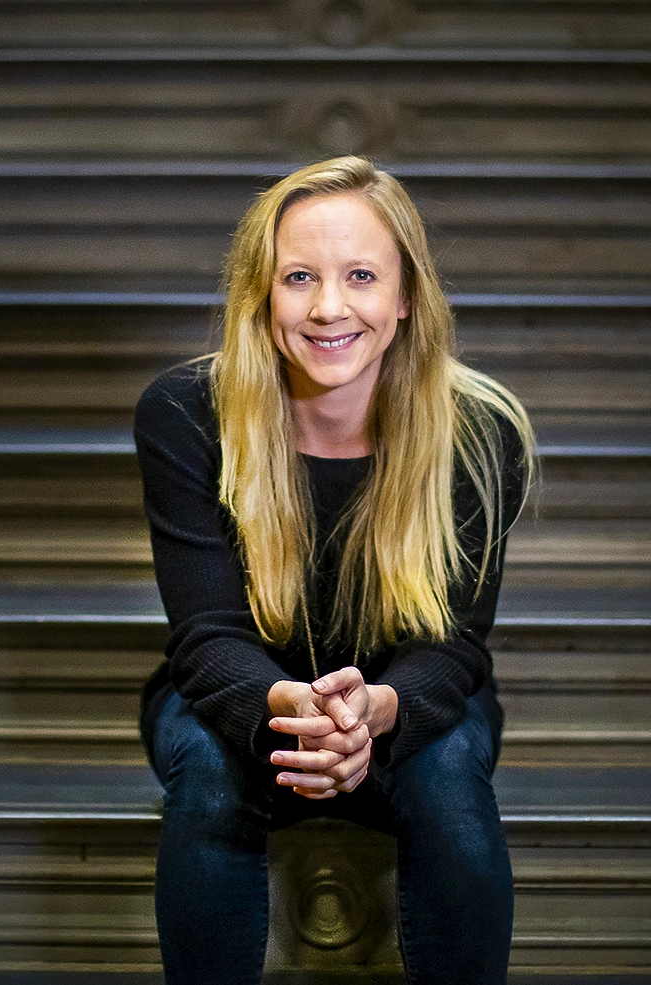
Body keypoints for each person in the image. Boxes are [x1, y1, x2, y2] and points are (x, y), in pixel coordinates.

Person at [133, 155, 536, 984]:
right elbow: (205, 638)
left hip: (412, 697)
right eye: (298, 277)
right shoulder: (183, 415)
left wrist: (378, 709)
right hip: (233, 693)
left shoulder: (479, 430)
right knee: (209, 771)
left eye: (360, 275)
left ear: (405, 298)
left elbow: (453, 648)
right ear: (261, 296)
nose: (328, 306)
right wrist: (292, 706)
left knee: (450, 767)